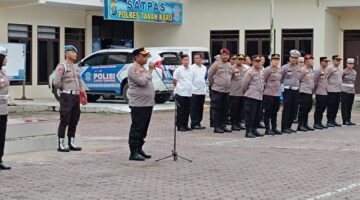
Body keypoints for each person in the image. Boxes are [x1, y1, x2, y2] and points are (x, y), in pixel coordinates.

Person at [53, 45, 85, 152]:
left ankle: (71, 142)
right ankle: (61, 143)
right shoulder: (62, 66)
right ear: (66, 53)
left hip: (76, 96)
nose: (75, 54)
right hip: (67, 96)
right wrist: (64, 89)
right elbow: (56, 82)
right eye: (72, 52)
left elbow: (79, 81)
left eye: (75, 52)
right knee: (65, 119)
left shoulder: (76, 67)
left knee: (74, 119)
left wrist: (82, 92)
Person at [126, 47, 155, 161]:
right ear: (137, 57)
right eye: (144, 56)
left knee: (144, 129)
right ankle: (133, 152)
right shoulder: (133, 68)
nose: (147, 58)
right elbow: (142, 82)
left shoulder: (142, 68)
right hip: (139, 105)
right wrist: (150, 70)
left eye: (147, 56)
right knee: (137, 128)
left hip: (147, 103)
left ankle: (139, 149)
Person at [208, 48, 233, 133]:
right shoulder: (216, 64)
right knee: (217, 109)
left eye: (226, 55)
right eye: (223, 55)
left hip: (227, 91)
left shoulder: (230, 65)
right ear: (221, 55)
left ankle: (223, 125)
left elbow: (231, 77)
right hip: (217, 90)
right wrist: (214, 85)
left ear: (229, 56)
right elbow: (210, 75)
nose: (225, 56)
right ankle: (217, 126)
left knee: (225, 109)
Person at [280, 50, 302, 134]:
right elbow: (280, 78)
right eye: (292, 57)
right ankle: (284, 127)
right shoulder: (285, 67)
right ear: (289, 58)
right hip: (288, 90)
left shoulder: (299, 68)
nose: (293, 59)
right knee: (287, 108)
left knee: (294, 109)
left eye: (295, 58)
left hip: (296, 90)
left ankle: (289, 126)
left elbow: (299, 79)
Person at [243, 55, 265, 138]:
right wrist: (247, 92)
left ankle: (254, 130)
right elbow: (245, 84)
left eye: (259, 61)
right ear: (252, 62)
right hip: (251, 96)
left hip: (259, 96)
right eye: (256, 61)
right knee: (250, 115)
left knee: (257, 114)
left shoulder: (261, 71)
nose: (257, 63)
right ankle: (248, 131)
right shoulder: (250, 72)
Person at [173, 54, 193, 132]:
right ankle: (180, 125)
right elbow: (174, 81)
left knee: (187, 110)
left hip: (189, 93)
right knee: (181, 110)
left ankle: (185, 125)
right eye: (184, 60)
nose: (186, 61)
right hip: (180, 93)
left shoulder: (191, 70)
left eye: (187, 60)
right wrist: (178, 88)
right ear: (181, 61)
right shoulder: (178, 70)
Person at [263, 54, 282, 135]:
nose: (276, 61)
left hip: (277, 94)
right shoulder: (267, 69)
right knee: (268, 112)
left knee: (275, 111)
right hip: (268, 94)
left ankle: (274, 127)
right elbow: (263, 80)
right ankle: (267, 128)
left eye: (277, 59)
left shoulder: (279, 70)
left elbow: (280, 80)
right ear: (271, 60)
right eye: (274, 59)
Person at [229, 54, 247, 131]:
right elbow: (228, 79)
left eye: (242, 59)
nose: (240, 61)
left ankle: (239, 123)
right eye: (239, 59)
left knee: (241, 109)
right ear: (236, 60)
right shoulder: (232, 68)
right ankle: (234, 124)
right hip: (234, 93)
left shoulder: (245, 68)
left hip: (242, 93)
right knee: (234, 110)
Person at [297, 54, 315, 132]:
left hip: (309, 91)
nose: (312, 62)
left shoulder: (311, 70)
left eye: (312, 60)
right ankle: (300, 125)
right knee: (303, 108)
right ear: (306, 61)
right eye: (311, 60)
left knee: (308, 107)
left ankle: (305, 124)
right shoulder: (302, 69)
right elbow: (298, 80)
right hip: (303, 91)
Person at [0, 46, 11, 170]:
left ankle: (0, 158)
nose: (6, 59)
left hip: (3, 108)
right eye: (5, 56)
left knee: (1, 135)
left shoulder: (3, 72)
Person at [190, 53, 207, 129]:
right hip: (194, 90)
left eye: (197, 58)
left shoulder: (204, 68)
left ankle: (199, 122)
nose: (196, 59)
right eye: (195, 58)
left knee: (200, 108)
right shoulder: (191, 68)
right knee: (194, 108)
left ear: (201, 59)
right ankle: (194, 123)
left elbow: (204, 78)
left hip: (202, 90)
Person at [326, 55, 343, 127]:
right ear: (333, 60)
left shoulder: (339, 69)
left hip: (338, 90)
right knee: (331, 106)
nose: (338, 61)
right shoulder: (330, 68)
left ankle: (333, 120)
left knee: (336, 106)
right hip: (331, 90)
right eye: (337, 60)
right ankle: (329, 121)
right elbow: (326, 78)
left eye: (339, 60)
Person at [313, 57, 330, 130]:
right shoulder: (318, 70)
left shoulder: (326, 70)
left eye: (327, 62)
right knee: (319, 108)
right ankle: (316, 123)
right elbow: (314, 81)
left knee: (323, 108)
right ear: (321, 62)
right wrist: (315, 90)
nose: (326, 63)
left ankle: (320, 122)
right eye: (325, 62)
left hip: (325, 92)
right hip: (319, 92)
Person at [341, 58, 357, 126]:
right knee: (344, 106)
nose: (351, 65)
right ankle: (345, 120)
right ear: (347, 64)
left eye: (352, 64)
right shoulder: (343, 71)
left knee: (350, 106)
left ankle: (349, 119)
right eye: (349, 63)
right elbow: (340, 80)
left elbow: (354, 82)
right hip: (344, 91)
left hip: (351, 91)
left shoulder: (354, 72)